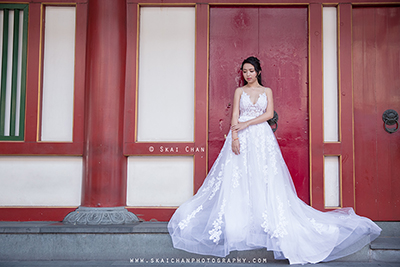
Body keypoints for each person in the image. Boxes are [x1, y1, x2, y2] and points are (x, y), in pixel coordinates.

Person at [168, 56, 381, 265]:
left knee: (265, 177)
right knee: (238, 178)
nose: (248, 74)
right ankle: (242, 222)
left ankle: (265, 219)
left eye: (251, 70)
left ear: (258, 72)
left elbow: (269, 114)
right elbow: (234, 115)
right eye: (244, 71)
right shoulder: (239, 91)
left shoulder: (266, 91)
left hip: (261, 137)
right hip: (241, 137)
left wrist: (247, 123)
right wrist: (234, 136)